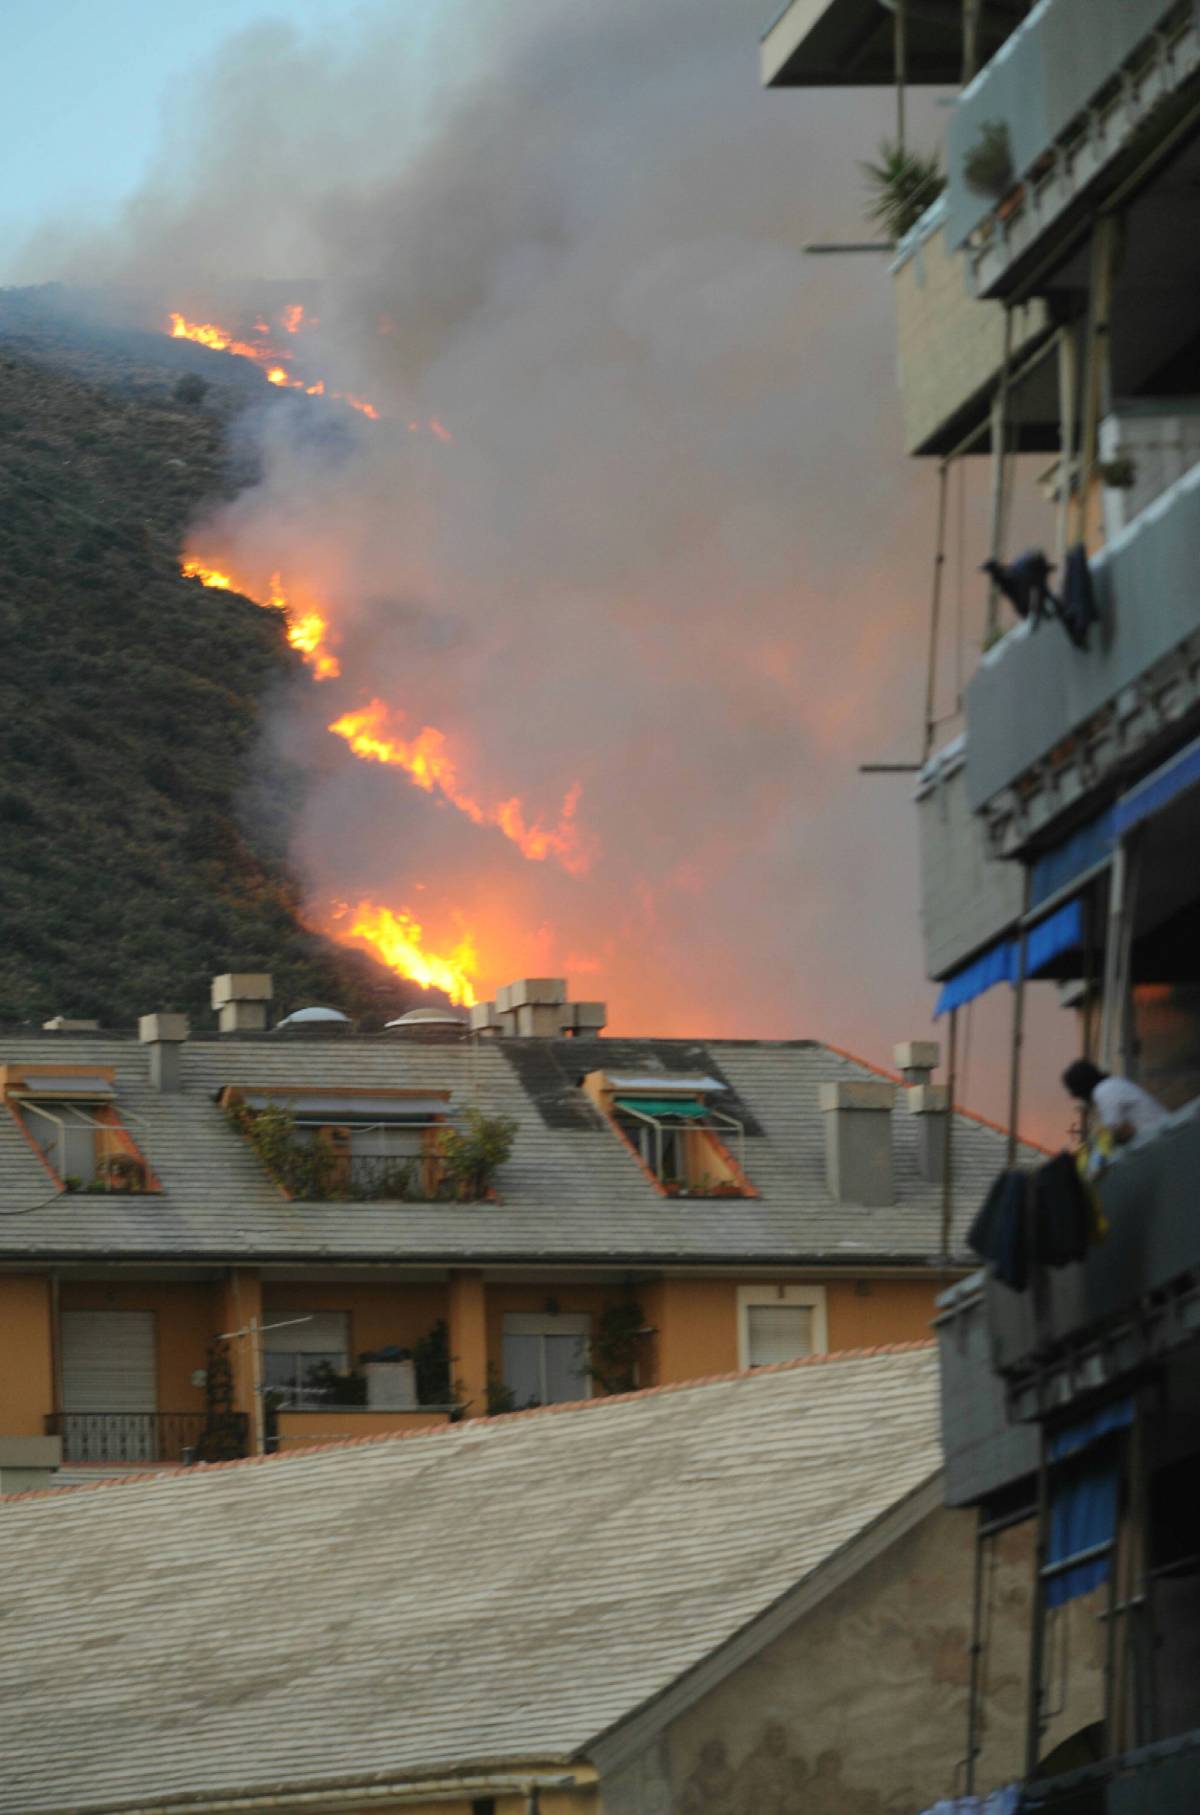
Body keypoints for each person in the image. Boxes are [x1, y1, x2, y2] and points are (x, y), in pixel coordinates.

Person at [1062, 1059, 1168, 1144]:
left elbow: (1121, 1132)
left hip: (1160, 1138)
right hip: (1160, 1135)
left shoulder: (1104, 1092)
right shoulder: (1112, 1084)